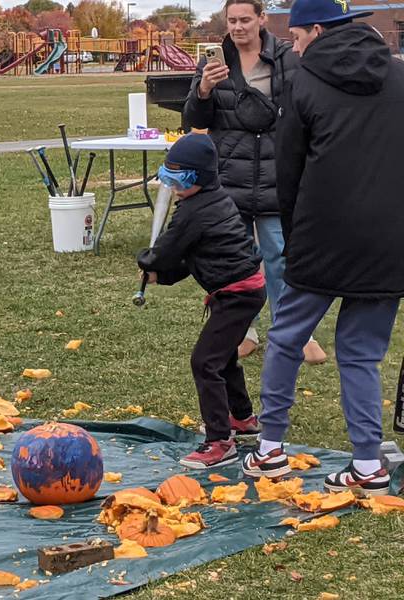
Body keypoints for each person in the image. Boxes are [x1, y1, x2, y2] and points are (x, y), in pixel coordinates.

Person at [241, 0, 404, 495]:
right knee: (360, 354)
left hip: (324, 235)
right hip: (391, 240)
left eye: (295, 37)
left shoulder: (303, 82)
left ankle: (269, 450)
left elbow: (286, 170)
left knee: (287, 337)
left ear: (316, 30)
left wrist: (295, 234)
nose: (292, 46)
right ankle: (368, 466)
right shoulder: (399, 76)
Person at [183, 0, 327, 365]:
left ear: (262, 19)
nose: (238, 27)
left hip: (277, 173)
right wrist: (202, 89)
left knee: (280, 257)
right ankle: (242, 332)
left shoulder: (288, 59)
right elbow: (193, 118)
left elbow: (307, 111)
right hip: (229, 174)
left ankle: (295, 333)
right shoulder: (215, 63)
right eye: (231, 20)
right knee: (235, 262)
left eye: (245, 19)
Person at [138, 134, 266, 469]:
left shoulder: (195, 212)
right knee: (222, 358)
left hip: (237, 296)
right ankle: (243, 419)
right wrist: (161, 274)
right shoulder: (209, 201)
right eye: (169, 178)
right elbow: (191, 259)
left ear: (201, 178)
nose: (175, 187)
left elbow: (166, 251)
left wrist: (148, 262)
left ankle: (220, 441)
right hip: (241, 292)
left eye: (181, 179)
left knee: (204, 362)